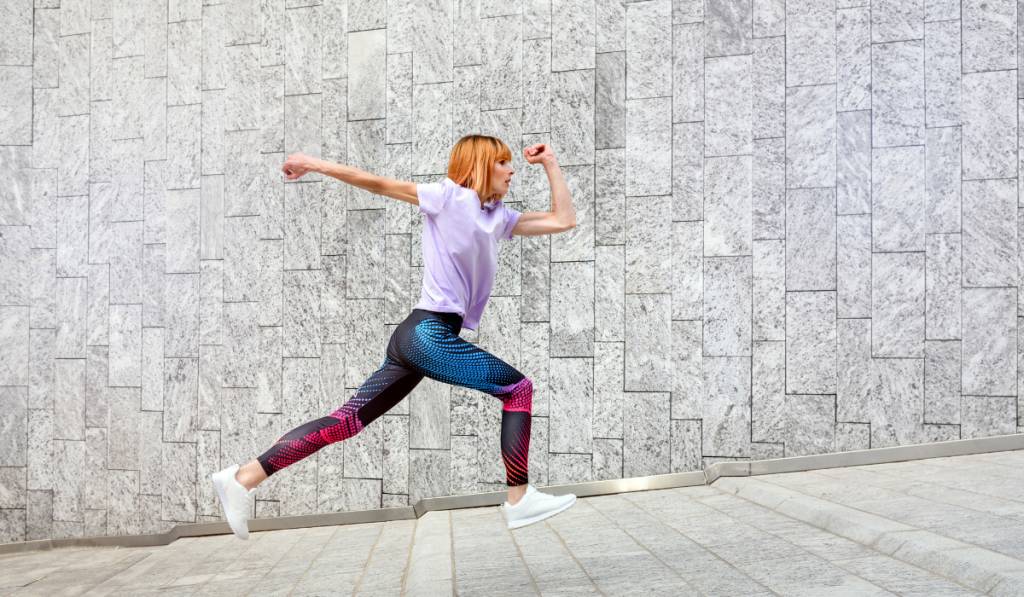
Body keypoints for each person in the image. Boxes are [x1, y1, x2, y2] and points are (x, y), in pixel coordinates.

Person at [211, 135, 578, 539]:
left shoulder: (498, 218)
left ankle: (243, 478)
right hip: (426, 332)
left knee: (346, 422)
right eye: (503, 162)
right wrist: (313, 163)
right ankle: (519, 498)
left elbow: (564, 220)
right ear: (480, 164)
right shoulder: (446, 196)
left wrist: (551, 164)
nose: (511, 171)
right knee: (517, 389)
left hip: (419, 338)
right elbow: (376, 182)